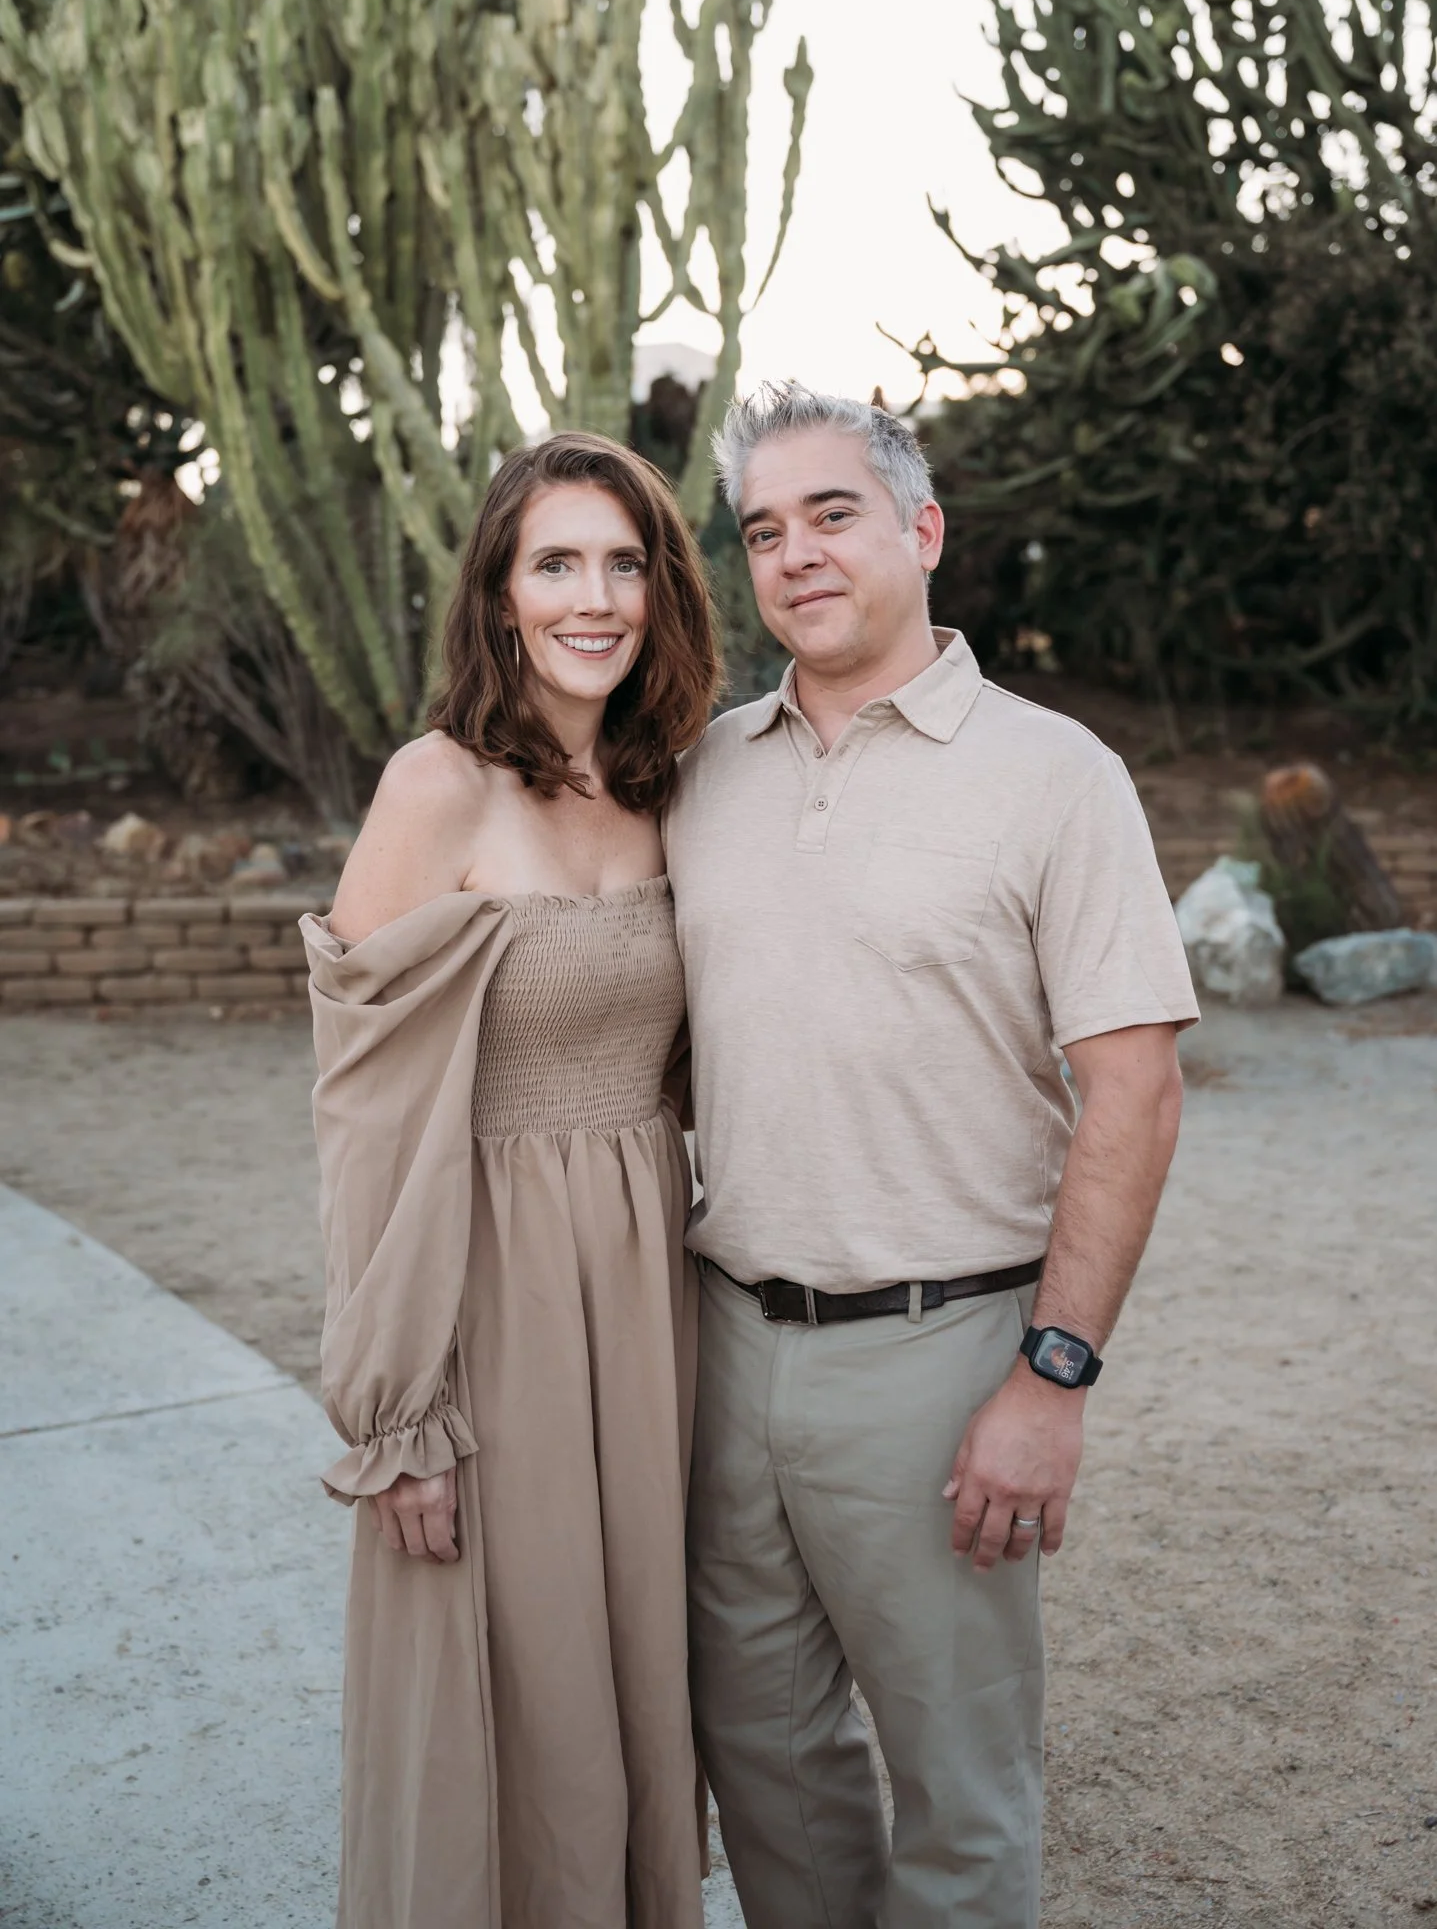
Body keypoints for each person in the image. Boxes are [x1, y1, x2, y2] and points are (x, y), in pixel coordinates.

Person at [664, 382, 1199, 1929]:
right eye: (764, 530)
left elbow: (1136, 1091)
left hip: (945, 1352)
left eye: (833, 514)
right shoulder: (706, 774)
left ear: (923, 527)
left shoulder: (1054, 775)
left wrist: (1053, 1377)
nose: (797, 555)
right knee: (765, 1766)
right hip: (725, 1343)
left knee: (959, 1801)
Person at [302, 431, 720, 1929]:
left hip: (647, 1290)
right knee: (521, 1665)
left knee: (632, 1669)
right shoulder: (438, 787)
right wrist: (399, 1411)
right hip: (486, 1293)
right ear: (501, 593)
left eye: (625, 561)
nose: (594, 597)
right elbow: (364, 1115)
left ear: (664, 590)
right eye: (557, 562)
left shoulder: (678, 786)